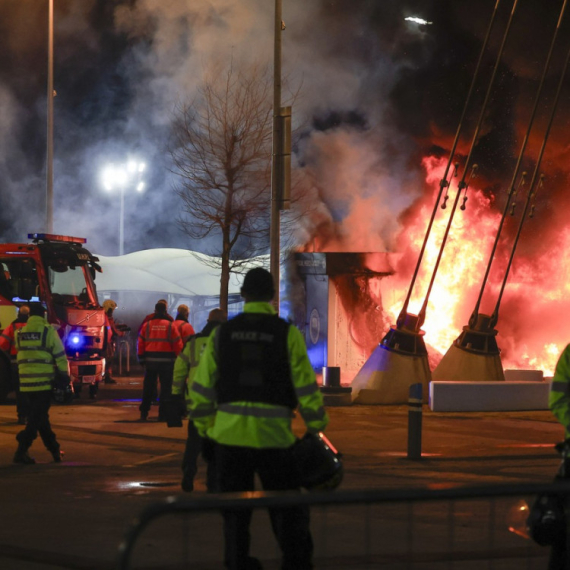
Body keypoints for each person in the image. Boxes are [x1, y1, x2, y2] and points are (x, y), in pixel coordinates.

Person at [190, 267, 329, 570]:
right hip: (275, 440)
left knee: (235, 518)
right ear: (271, 295)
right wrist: (316, 427)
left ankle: (239, 564)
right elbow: (306, 386)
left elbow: (201, 389)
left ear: (244, 294)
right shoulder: (286, 334)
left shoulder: (222, 334)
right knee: (288, 514)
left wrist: (207, 430)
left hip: (228, 440)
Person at [172, 307, 227, 492]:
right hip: (220, 403)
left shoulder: (193, 343)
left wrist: (175, 393)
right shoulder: (226, 342)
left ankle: (188, 471)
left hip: (196, 401)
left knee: (193, 442)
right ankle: (213, 481)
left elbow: (179, 368)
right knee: (218, 444)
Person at [13, 302, 69, 464]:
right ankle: (21, 447)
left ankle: (55, 450)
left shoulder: (20, 332)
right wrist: (64, 375)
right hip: (43, 383)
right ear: (43, 315)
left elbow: (20, 351)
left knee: (40, 419)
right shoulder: (48, 331)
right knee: (36, 420)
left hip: (25, 383)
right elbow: (59, 354)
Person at [137, 302, 183, 421]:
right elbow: (178, 344)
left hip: (150, 362)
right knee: (166, 389)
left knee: (148, 388)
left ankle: (144, 413)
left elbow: (140, 343)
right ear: (165, 311)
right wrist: (180, 360)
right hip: (167, 362)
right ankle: (162, 415)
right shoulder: (171, 325)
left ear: (155, 310)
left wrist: (141, 358)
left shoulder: (147, 325)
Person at [0, 304, 30, 424]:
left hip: (16, 363)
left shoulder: (12, 326)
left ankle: (22, 416)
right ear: (29, 315)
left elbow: (2, 344)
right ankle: (31, 416)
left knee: (20, 391)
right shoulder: (33, 327)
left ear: (18, 314)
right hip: (33, 364)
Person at [102, 299, 125, 385]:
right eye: (112, 309)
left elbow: (111, 327)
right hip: (107, 342)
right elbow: (112, 330)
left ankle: (107, 376)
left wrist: (119, 326)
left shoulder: (104, 316)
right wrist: (121, 333)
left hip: (106, 341)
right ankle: (107, 377)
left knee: (108, 360)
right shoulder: (106, 316)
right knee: (109, 360)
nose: (113, 311)